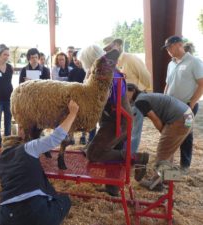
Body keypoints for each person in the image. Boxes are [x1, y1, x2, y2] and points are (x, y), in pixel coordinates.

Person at [79, 45, 149, 196]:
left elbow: (102, 100)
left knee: (94, 153)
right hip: (115, 119)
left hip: (118, 121)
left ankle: (137, 158)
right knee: (113, 152)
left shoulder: (106, 77)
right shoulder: (112, 73)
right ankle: (112, 189)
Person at [0, 100, 78, 225]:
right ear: (21, 135)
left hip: (5, 216)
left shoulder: (2, 159)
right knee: (65, 200)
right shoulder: (28, 147)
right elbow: (55, 138)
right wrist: (72, 113)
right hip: (34, 213)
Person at [133, 91, 193, 190]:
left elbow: (155, 119)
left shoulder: (140, 101)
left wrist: (164, 133)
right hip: (188, 114)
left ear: (131, 91)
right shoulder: (147, 96)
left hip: (180, 118)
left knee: (163, 151)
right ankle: (168, 178)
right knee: (169, 150)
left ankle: (157, 183)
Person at [102, 37, 152, 154]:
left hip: (132, 100)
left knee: (133, 129)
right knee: (120, 128)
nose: (108, 52)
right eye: (106, 49)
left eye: (110, 48)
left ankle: (129, 156)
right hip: (118, 102)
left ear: (118, 45)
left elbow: (146, 78)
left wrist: (137, 94)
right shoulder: (110, 62)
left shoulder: (130, 59)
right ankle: (120, 154)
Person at [163, 35, 203, 172]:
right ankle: (168, 162)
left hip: (186, 106)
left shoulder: (194, 62)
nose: (168, 49)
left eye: (170, 46)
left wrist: (192, 103)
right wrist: (164, 99)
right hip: (170, 106)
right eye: (167, 47)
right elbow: (168, 84)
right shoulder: (171, 63)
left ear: (179, 44)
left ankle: (185, 165)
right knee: (170, 132)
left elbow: (201, 84)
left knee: (186, 133)